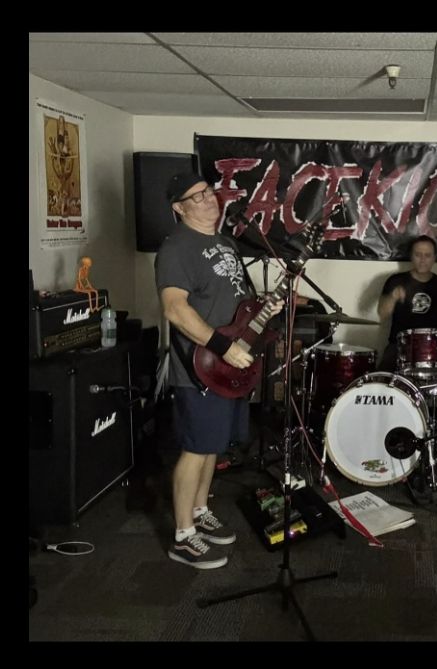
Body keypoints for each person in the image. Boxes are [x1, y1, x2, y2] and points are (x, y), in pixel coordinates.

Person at [155, 172, 283, 569]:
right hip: (200, 366)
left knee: (212, 446)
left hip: (228, 367)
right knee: (195, 448)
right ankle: (183, 536)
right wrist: (224, 348)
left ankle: (199, 511)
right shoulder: (176, 248)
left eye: (209, 191)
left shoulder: (225, 243)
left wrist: (266, 307)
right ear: (179, 208)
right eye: (197, 197)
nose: (209, 199)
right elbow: (175, 309)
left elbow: (236, 306)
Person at [377, 235, 437, 431]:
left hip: (434, 347)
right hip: (400, 346)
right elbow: (382, 312)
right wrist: (393, 297)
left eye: (427, 255)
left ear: (434, 258)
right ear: (411, 256)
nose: (422, 260)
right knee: (380, 375)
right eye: (418, 255)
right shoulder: (396, 280)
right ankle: (380, 424)